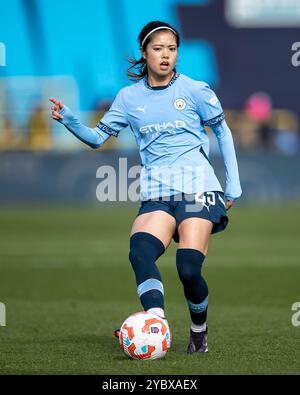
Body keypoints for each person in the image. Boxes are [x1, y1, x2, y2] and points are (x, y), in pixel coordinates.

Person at [49, 21, 242, 354]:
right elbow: (97, 139)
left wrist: (232, 188)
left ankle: (199, 328)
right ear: (144, 52)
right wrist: (70, 119)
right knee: (140, 251)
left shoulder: (196, 90)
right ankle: (157, 321)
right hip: (157, 194)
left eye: (172, 48)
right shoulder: (128, 97)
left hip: (200, 190)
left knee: (188, 268)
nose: (166, 55)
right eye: (158, 49)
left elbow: (222, 133)